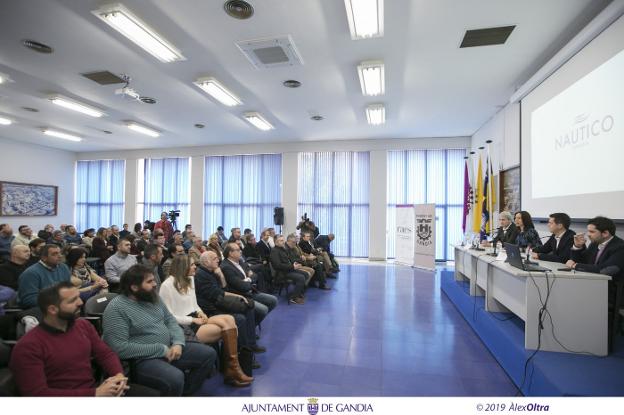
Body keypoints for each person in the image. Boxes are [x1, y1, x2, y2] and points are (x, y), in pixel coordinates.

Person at [9, 281, 157, 396]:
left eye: (78, 297)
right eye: (72, 301)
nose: (80, 303)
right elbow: (37, 395)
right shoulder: (28, 346)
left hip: (94, 391)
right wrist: (95, 394)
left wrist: (118, 375)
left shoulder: (82, 325)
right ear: (52, 309)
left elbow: (105, 354)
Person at [103, 265, 216, 396]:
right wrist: (161, 350)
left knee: (208, 354)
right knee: (175, 378)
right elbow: (118, 347)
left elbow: (170, 321)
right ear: (134, 287)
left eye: (153, 280)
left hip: (170, 348)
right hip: (141, 359)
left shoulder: (152, 297)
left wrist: (178, 342)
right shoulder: (116, 308)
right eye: (149, 282)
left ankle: (186, 393)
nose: (155, 284)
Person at [159, 255, 253, 387]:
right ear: (183, 267)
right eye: (192, 265)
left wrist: (200, 312)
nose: (195, 267)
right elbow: (168, 316)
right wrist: (193, 319)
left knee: (230, 319)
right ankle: (232, 369)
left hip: (195, 317)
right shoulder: (167, 285)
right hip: (183, 325)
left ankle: (232, 368)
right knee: (225, 329)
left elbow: (194, 303)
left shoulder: (190, 279)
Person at [195, 251, 265, 357]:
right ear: (206, 262)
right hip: (211, 309)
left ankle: (249, 344)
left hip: (218, 302)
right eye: (214, 258)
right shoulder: (201, 275)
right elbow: (217, 294)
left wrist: (221, 276)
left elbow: (224, 289)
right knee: (240, 317)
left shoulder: (213, 271)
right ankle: (242, 353)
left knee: (248, 306)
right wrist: (237, 296)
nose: (218, 259)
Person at [221, 243, 277, 325]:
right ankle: (250, 328)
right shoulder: (226, 267)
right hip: (241, 296)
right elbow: (242, 286)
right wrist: (250, 279)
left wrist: (248, 279)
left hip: (251, 291)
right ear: (230, 253)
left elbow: (254, 275)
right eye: (238, 250)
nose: (241, 251)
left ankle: (253, 325)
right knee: (263, 310)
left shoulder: (240, 261)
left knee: (273, 300)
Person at [18, 244, 71, 308]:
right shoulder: (31, 273)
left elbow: (68, 287)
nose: (60, 256)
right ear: (44, 258)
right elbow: (29, 300)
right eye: (55, 254)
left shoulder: (63, 267)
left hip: (61, 304)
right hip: (42, 309)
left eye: (60, 253)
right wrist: (57, 301)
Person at [271, 235, 307, 304]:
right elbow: (278, 265)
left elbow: (288, 260)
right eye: (281, 240)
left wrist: (294, 264)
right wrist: (292, 267)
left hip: (289, 269)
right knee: (301, 277)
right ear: (276, 242)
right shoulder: (274, 251)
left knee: (305, 274)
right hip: (282, 273)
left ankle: (298, 292)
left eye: (283, 240)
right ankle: (294, 298)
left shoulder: (282, 249)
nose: (283, 242)